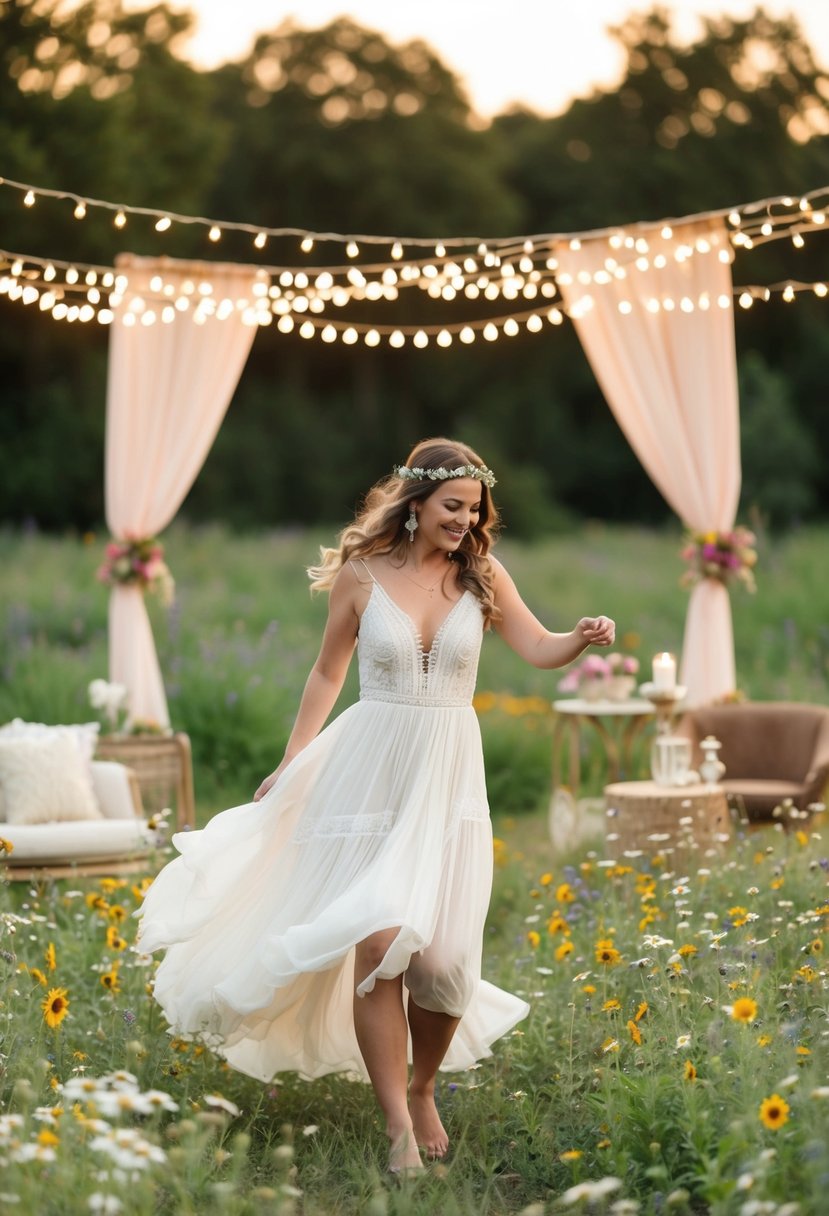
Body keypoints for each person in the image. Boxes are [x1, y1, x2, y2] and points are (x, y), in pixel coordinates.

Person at [136, 437, 615, 1174]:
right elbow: (327, 672)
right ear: (415, 503)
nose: (465, 520)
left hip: (447, 777)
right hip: (369, 771)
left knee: (446, 965)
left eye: (474, 509)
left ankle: (425, 1085)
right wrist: (293, 760)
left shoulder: (481, 574)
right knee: (377, 945)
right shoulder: (361, 575)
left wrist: (578, 640)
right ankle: (397, 1121)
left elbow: (538, 646)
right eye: (452, 507)